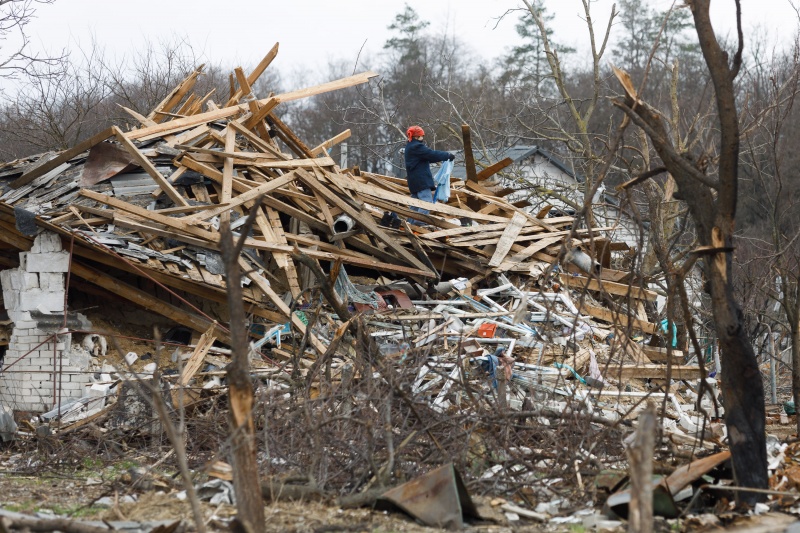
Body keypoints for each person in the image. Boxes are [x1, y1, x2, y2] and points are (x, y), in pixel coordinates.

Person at [404, 126, 455, 222]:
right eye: (422, 136)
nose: (423, 138)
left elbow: (428, 157)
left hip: (414, 181)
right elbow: (431, 154)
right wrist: (447, 155)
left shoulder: (409, 147)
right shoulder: (416, 147)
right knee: (426, 202)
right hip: (421, 180)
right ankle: (418, 225)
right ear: (417, 136)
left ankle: (409, 224)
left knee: (415, 205)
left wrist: (444, 157)